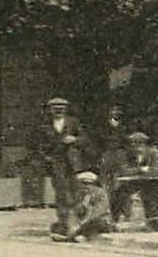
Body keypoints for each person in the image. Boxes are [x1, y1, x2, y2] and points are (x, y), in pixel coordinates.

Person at [34, 96, 84, 237]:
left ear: (66, 110)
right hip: (56, 163)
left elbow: (84, 139)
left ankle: (78, 222)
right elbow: (37, 145)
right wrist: (47, 158)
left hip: (73, 162)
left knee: (76, 191)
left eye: (61, 109)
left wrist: (74, 139)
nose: (58, 111)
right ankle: (64, 223)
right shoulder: (43, 125)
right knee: (61, 193)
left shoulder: (73, 123)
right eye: (55, 109)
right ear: (50, 110)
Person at [110, 129, 158, 227]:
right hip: (129, 182)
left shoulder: (152, 153)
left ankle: (152, 221)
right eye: (134, 144)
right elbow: (124, 171)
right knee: (118, 194)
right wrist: (141, 169)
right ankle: (114, 221)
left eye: (140, 143)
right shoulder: (124, 154)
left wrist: (144, 172)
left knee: (151, 195)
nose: (137, 147)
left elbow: (155, 169)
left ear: (145, 144)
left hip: (148, 182)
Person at [55, 171, 112, 243]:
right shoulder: (79, 195)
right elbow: (73, 211)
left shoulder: (101, 194)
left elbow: (98, 212)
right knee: (62, 224)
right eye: (83, 184)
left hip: (99, 220)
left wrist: (80, 225)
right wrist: (72, 224)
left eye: (89, 184)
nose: (86, 187)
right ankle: (73, 235)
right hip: (82, 221)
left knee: (96, 223)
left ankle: (80, 236)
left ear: (94, 184)